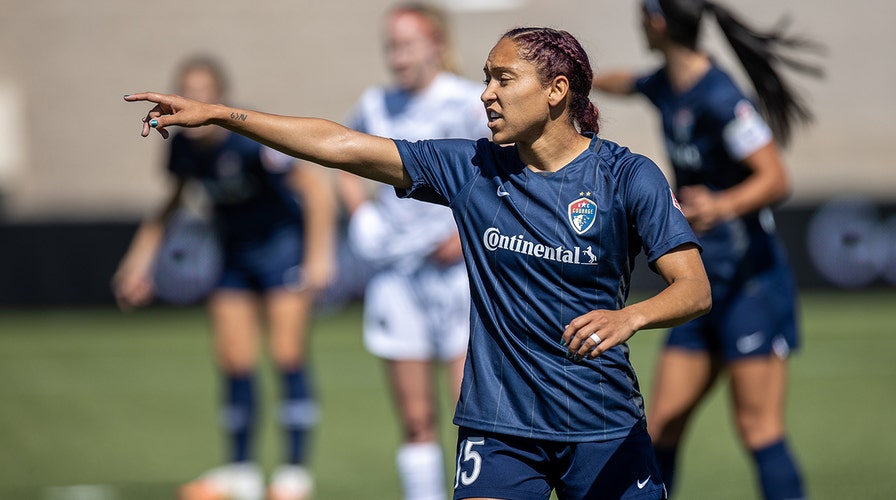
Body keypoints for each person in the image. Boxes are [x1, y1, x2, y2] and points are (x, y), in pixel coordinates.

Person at [125, 26, 712, 500]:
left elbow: (693, 289)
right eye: (485, 79)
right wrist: (225, 115)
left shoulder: (627, 176)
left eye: (504, 79)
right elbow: (341, 145)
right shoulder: (472, 168)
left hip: (602, 422)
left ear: (557, 90)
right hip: (499, 428)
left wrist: (629, 317)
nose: (486, 93)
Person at [592, 1, 822, 498]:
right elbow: (623, 81)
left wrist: (720, 205)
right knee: (662, 426)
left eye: (641, 16)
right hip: (699, 285)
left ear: (657, 23)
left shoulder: (720, 97)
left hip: (749, 285)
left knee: (759, 430)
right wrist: (576, 85)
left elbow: (776, 177)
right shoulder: (664, 85)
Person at [114, 56, 336, 500]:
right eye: (186, 89)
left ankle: (293, 475)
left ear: (220, 95)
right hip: (233, 256)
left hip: (281, 252)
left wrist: (318, 256)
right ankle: (243, 473)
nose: (193, 98)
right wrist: (137, 262)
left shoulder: (249, 138)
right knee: (234, 361)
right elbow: (171, 203)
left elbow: (313, 188)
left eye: (203, 90)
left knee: (287, 354)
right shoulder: (181, 144)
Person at [337, 4, 490, 499]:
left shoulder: (469, 101)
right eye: (391, 45)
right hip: (397, 277)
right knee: (416, 419)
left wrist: (467, 232)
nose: (397, 56)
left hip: (457, 278)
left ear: (437, 44)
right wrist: (361, 217)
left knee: (471, 411)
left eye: (407, 44)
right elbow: (343, 159)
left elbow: (506, 170)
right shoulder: (376, 104)